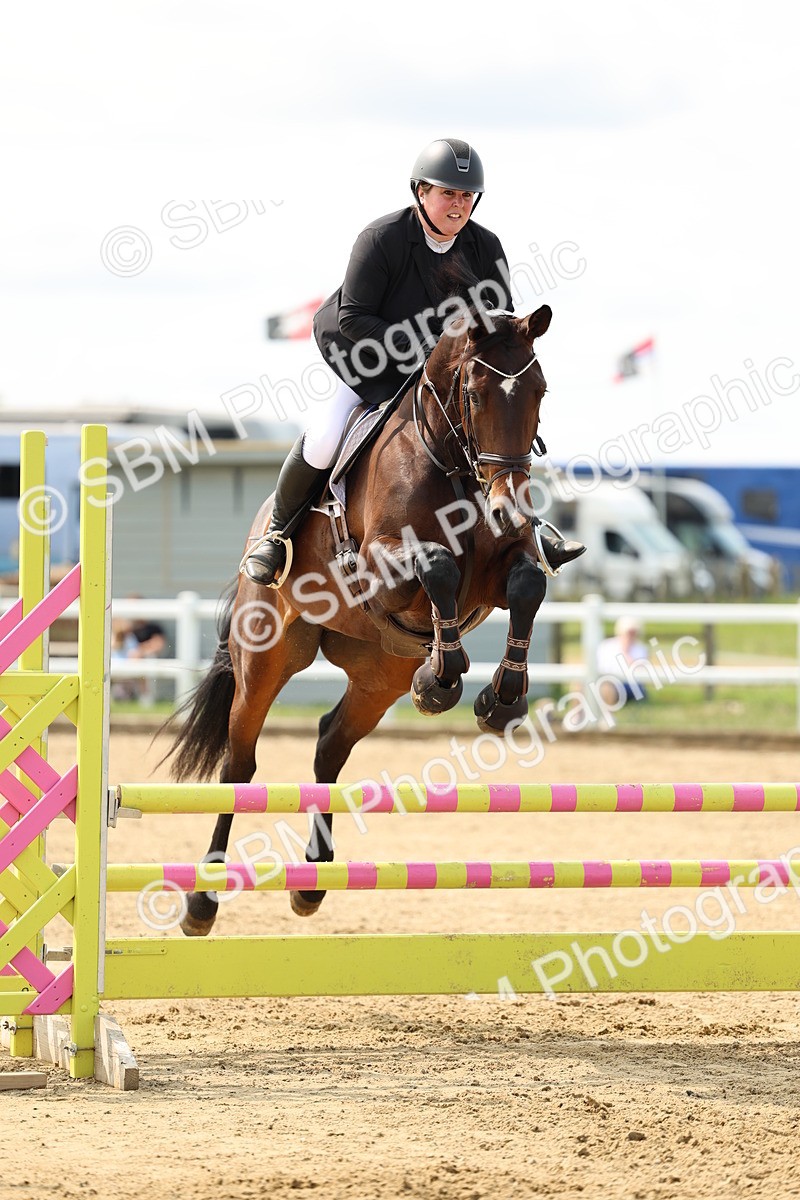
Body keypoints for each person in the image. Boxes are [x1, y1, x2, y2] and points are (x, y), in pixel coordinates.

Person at [243, 137, 586, 587]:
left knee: (493, 428)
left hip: (444, 372)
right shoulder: (381, 239)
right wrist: (424, 348)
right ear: (421, 192)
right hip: (367, 357)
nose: (459, 204)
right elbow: (353, 319)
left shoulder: (485, 247)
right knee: (326, 436)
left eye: (467, 196)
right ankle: (277, 535)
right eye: (448, 193)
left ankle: (530, 533)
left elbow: (497, 324)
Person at [596, 617, 651, 707]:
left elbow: (639, 672)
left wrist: (625, 652)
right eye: (628, 632)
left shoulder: (641, 649)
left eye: (633, 632)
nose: (631, 635)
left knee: (608, 686)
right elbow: (600, 667)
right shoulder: (606, 645)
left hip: (629, 685)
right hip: (606, 680)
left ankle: (607, 711)